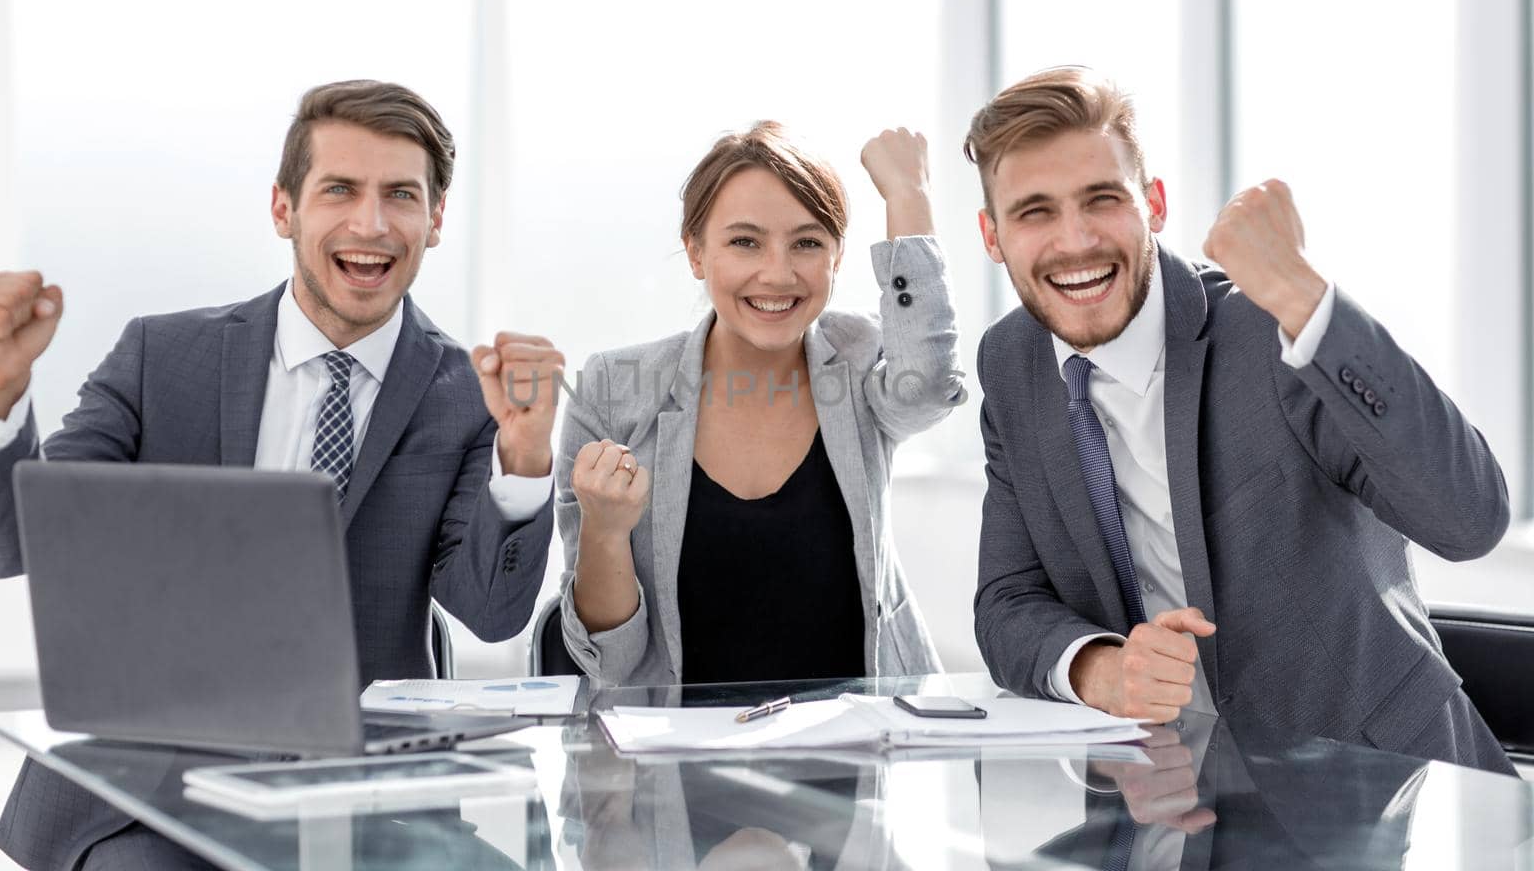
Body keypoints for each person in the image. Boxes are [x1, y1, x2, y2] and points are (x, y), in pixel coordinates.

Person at [0, 80, 563, 868]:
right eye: (340, 189)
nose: (370, 224)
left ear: (435, 219)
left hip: (377, 795)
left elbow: (493, 612)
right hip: (156, 792)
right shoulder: (160, 358)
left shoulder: (468, 399)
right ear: (283, 209)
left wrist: (527, 455)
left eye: (401, 195)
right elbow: (16, 547)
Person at [967, 66, 1514, 774]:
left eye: (1101, 199)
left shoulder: (1269, 332)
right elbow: (1007, 602)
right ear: (992, 235)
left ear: (1154, 204)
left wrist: (1304, 295)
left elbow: (1469, 520)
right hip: (1174, 806)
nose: (1074, 241)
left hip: (1389, 790)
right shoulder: (1012, 364)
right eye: (1034, 211)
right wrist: (1102, 670)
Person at [554, 122, 965, 686]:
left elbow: (931, 387)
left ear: (837, 257)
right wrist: (604, 530)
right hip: (676, 752)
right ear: (696, 252)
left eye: (807, 242)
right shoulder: (613, 389)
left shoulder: (862, 358)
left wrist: (908, 197)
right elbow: (612, 661)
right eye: (744, 241)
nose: (778, 273)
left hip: (859, 744)